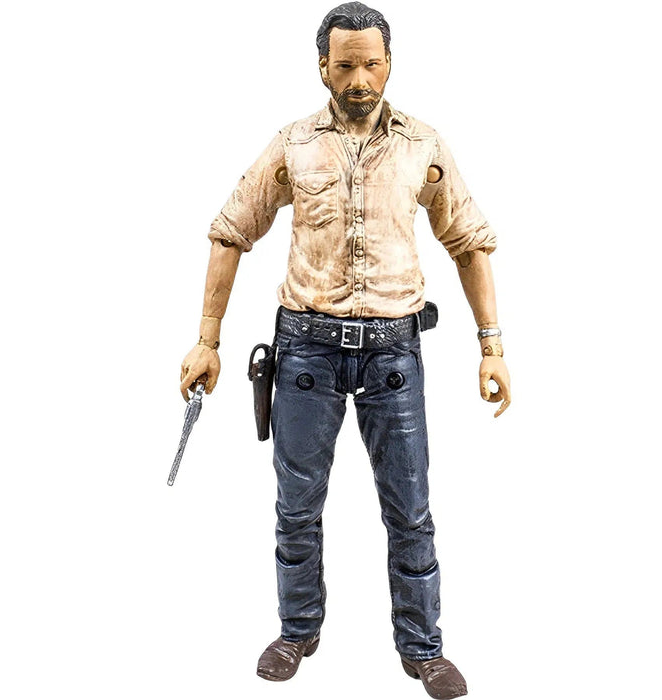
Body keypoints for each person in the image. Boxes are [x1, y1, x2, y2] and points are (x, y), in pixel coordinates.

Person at [179, 3, 511, 698]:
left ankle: (423, 647)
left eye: (371, 64)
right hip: (307, 355)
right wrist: (207, 340)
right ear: (322, 67)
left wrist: (492, 346)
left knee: (411, 509)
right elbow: (231, 230)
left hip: (394, 358)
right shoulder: (293, 145)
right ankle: (297, 629)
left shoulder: (424, 145)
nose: (359, 79)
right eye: (345, 65)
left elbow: (469, 242)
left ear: (390, 64)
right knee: (296, 507)